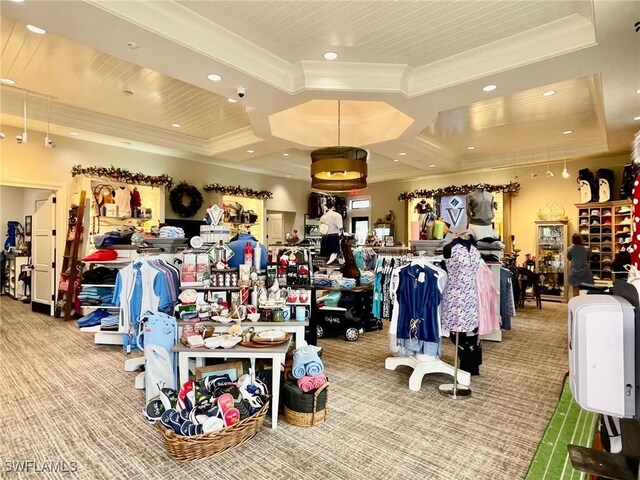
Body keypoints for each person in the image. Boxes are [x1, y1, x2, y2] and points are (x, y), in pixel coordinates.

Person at [567, 233, 594, 297]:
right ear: (581, 239)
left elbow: (569, 258)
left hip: (574, 271)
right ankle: (584, 303)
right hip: (584, 271)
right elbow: (589, 257)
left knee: (575, 288)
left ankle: (576, 304)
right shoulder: (587, 249)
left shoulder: (569, 249)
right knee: (586, 289)